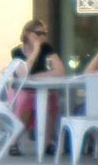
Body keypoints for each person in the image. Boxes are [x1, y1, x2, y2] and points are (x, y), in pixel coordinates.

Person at [9, 19, 65, 152]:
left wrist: (36, 76)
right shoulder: (17, 52)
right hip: (22, 89)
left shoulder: (47, 48)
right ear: (27, 33)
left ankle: (48, 142)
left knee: (53, 101)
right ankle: (14, 142)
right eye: (38, 33)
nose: (42, 37)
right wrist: (35, 51)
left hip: (43, 88)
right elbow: (22, 74)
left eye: (44, 33)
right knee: (27, 103)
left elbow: (60, 71)